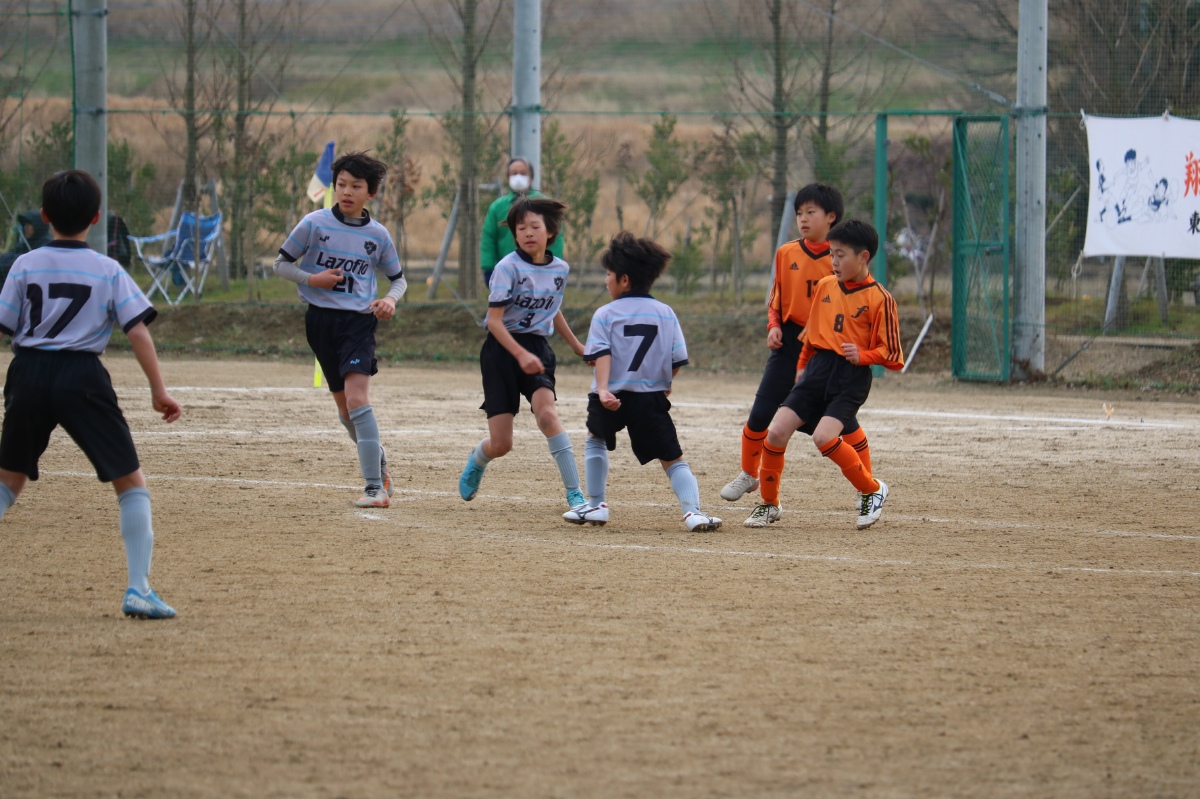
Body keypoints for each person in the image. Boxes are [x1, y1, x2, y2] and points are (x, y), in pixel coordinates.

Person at [0, 170, 183, 619]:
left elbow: (3, 325)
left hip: (28, 372)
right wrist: (158, 390)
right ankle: (138, 588)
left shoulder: (24, 265)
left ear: (44, 216)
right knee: (130, 483)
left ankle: (141, 588)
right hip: (82, 377)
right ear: (97, 217)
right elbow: (137, 330)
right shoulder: (108, 269)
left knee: (8, 480)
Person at [744, 219, 903, 530]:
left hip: (851, 378)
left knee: (823, 437)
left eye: (841, 255)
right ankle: (769, 504)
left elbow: (893, 356)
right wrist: (802, 367)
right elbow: (811, 334)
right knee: (775, 433)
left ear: (863, 257)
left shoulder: (880, 299)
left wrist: (864, 355)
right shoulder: (826, 286)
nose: (834, 262)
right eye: (831, 254)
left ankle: (872, 489)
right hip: (817, 371)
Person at [720, 183, 872, 505]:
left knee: (844, 423)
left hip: (825, 348)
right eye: (799, 213)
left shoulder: (841, 259)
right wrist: (773, 326)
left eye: (810, 212)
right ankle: (749, 473)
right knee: (761, 412)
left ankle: (867, 486)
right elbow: (776, 299)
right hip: (789, 343)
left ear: (831, 217)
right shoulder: (786, 252)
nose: (803, 218)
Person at [564, 231, 723, 532]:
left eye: (608, 274)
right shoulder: (665, 313)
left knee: (596, 438)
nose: (606, 280)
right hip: (650, 397)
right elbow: (677, 358)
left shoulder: (605, 314)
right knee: (672, 457)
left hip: (611, 394)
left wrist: (602, 389)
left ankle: (596, 505)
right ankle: (693, 513)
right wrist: (665, 382)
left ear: (624, 280)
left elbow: (602, 355)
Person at [274, 151, 407, 509]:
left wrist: (390, 300)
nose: (347, 192)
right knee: (346, 412)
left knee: (358, 400)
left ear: (371, 193)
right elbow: (280, 264)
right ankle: (379, 462)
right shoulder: (313, 224)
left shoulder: (378, 235)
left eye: (356, 186)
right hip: (319, 323)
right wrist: (311, 279)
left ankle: (374, 487)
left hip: (358, 323)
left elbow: (398, 279)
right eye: (341, 184)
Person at [459, 196, 587, 511]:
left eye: (534, 226)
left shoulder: (560, 269)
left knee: (547, 415)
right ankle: (479, 459)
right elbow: (495, 322)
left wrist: (577, 345)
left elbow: (553, 309)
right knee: (502, 444)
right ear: (515, 235)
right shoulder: (507, 267)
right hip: (501, 352)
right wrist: (519, 355)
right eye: (521, 228)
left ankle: (575, 494)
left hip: (537, 348)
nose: (528, 232)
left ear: (550, 231)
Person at [480, 157, 564, 287]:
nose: (518, 177)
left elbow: (557, 237)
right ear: (508, 177)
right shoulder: (497, 207)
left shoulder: (544, 205)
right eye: (514, 173)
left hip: (539, 271)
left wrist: (553, 265)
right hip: (507, 273)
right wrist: (488, 267)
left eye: (523, 173)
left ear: (531, 177)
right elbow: (488, 238)